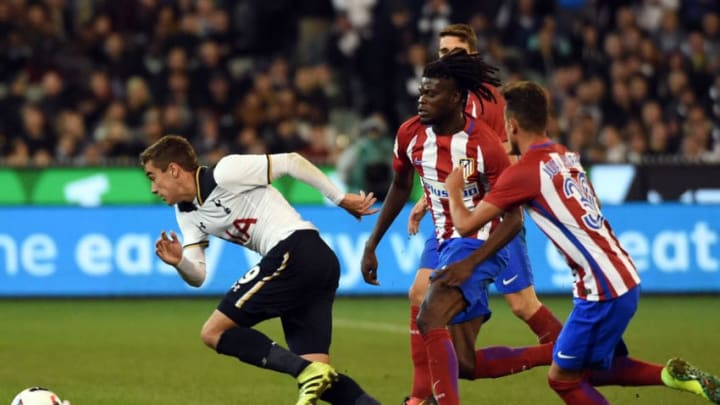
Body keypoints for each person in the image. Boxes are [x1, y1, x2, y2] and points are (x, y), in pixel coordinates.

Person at [441, 80, 720, 405]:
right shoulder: (565, 155)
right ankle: (669, 375)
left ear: (512, 125)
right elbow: (595, 205)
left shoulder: (525, 173)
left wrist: (452, 188)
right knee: (599, 368)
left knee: (562, 380)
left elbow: (464, 224)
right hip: (623, 276)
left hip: (601, 289)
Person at [361, 50, 553, 405]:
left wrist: (473, 261)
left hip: (477, 242)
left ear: (455, 98)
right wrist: (373, 242)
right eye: (421, 92)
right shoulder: (410, 134)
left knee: (429, 311)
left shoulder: (484, 146)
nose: (422, 101)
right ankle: (559, 353)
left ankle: (424, 399)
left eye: (431, 94)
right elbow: (401, 185)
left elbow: (513, 218)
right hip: (445, 241)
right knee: (464, 362)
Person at [140, 135, 381, 405]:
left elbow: (291, 162)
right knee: (323, 380)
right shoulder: (186, 213)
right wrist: (180, 262)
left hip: (295, 250)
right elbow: (198, 276)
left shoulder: (225, 172)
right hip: (316, 262)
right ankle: (313, 373)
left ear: (173, 170)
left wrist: (339, 198)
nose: (152, 188)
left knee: (212, 333)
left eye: (153, 176)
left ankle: (306, 371)